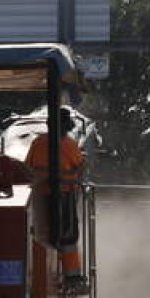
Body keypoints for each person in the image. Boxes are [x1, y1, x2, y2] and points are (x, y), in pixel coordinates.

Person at [24, 110, 86, 281]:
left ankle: (39, 268)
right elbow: (79, 166)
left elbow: (28, 167)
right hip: (64, 196)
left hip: (39, 197)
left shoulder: (37, 143)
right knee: (68, 236)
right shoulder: (69, 145)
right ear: (66, 127)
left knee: (40, 234)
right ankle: (72, 276)